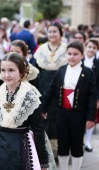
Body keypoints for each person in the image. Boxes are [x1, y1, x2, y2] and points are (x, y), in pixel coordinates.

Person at [41, 41, 97, 170]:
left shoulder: (88, 73)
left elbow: (92, 96)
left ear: (82, 55)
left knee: (77, 143)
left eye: (75, 54)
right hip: (61, 113)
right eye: (69, 54)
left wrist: (90, 117)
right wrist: (44, 108)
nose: (72, 57)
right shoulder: (61, 70)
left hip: (79, 114)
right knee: (63, 142)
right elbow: (51, 90)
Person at [34, 22, 67, 159]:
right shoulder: (41, 49)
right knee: (43, 116)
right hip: (42, 85)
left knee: (57, 118)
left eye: (55, 31)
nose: (52, 34)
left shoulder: (66, 48)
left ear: (60, 33)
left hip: (60, 85)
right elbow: (35, 70)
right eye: (50, 31)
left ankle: (58, 151)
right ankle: (43, 150)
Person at [83, 38, 99, 152]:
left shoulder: (98, 64)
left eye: (94, 48)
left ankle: (88, 141)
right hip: (80, 93)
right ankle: (79, 139)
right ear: (85, 47)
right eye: (89, 47)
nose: (91, 50)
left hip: (93, 95)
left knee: (90, 117)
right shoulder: (80, 60)